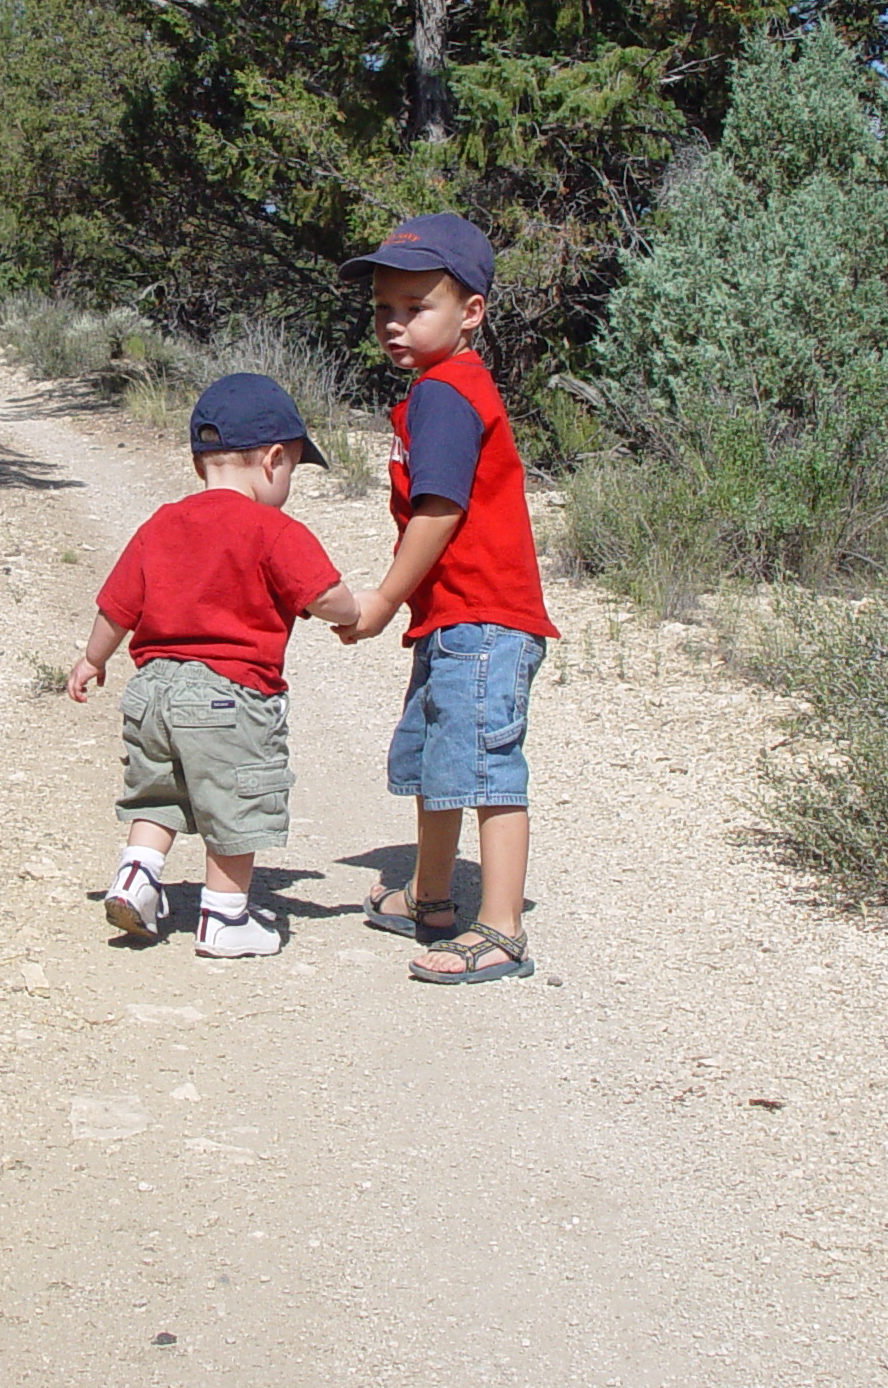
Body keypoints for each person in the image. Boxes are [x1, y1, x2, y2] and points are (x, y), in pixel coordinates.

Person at [66, 374, 360, 957]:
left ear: (201, 463)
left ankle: (138, 875)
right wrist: (354, 612)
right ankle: (225, 918)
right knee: (233, 800)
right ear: (274, 460)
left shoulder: (161, 524)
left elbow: (117, 606)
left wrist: (91, 659)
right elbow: (325, 596)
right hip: (228, 695)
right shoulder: (273, 529)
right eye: (294, 470)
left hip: (151, 692)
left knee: (160, 792)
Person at [338, 214, 559, 984]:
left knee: (486, 765)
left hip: (484, 617)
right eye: (382, 309)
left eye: (415, 306)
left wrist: (381, 603)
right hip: (458, 616)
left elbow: (441, 510)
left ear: (471, 313)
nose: (394, 324)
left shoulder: (446, 393)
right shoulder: (440, 388)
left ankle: (500, 928)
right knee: (440, 756)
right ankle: (430, 897)